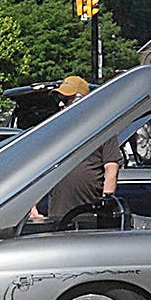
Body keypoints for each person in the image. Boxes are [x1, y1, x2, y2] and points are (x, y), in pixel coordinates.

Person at [42, 75, 120, 223]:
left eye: (65, 100)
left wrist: (105, 203)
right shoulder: (54, 132)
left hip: (90, 215)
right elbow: (35, 172)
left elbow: (111, 169)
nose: (60, 104)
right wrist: (33, 210)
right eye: (59, 99)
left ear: (81, 100)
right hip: (57, 216)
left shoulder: (102, 129)